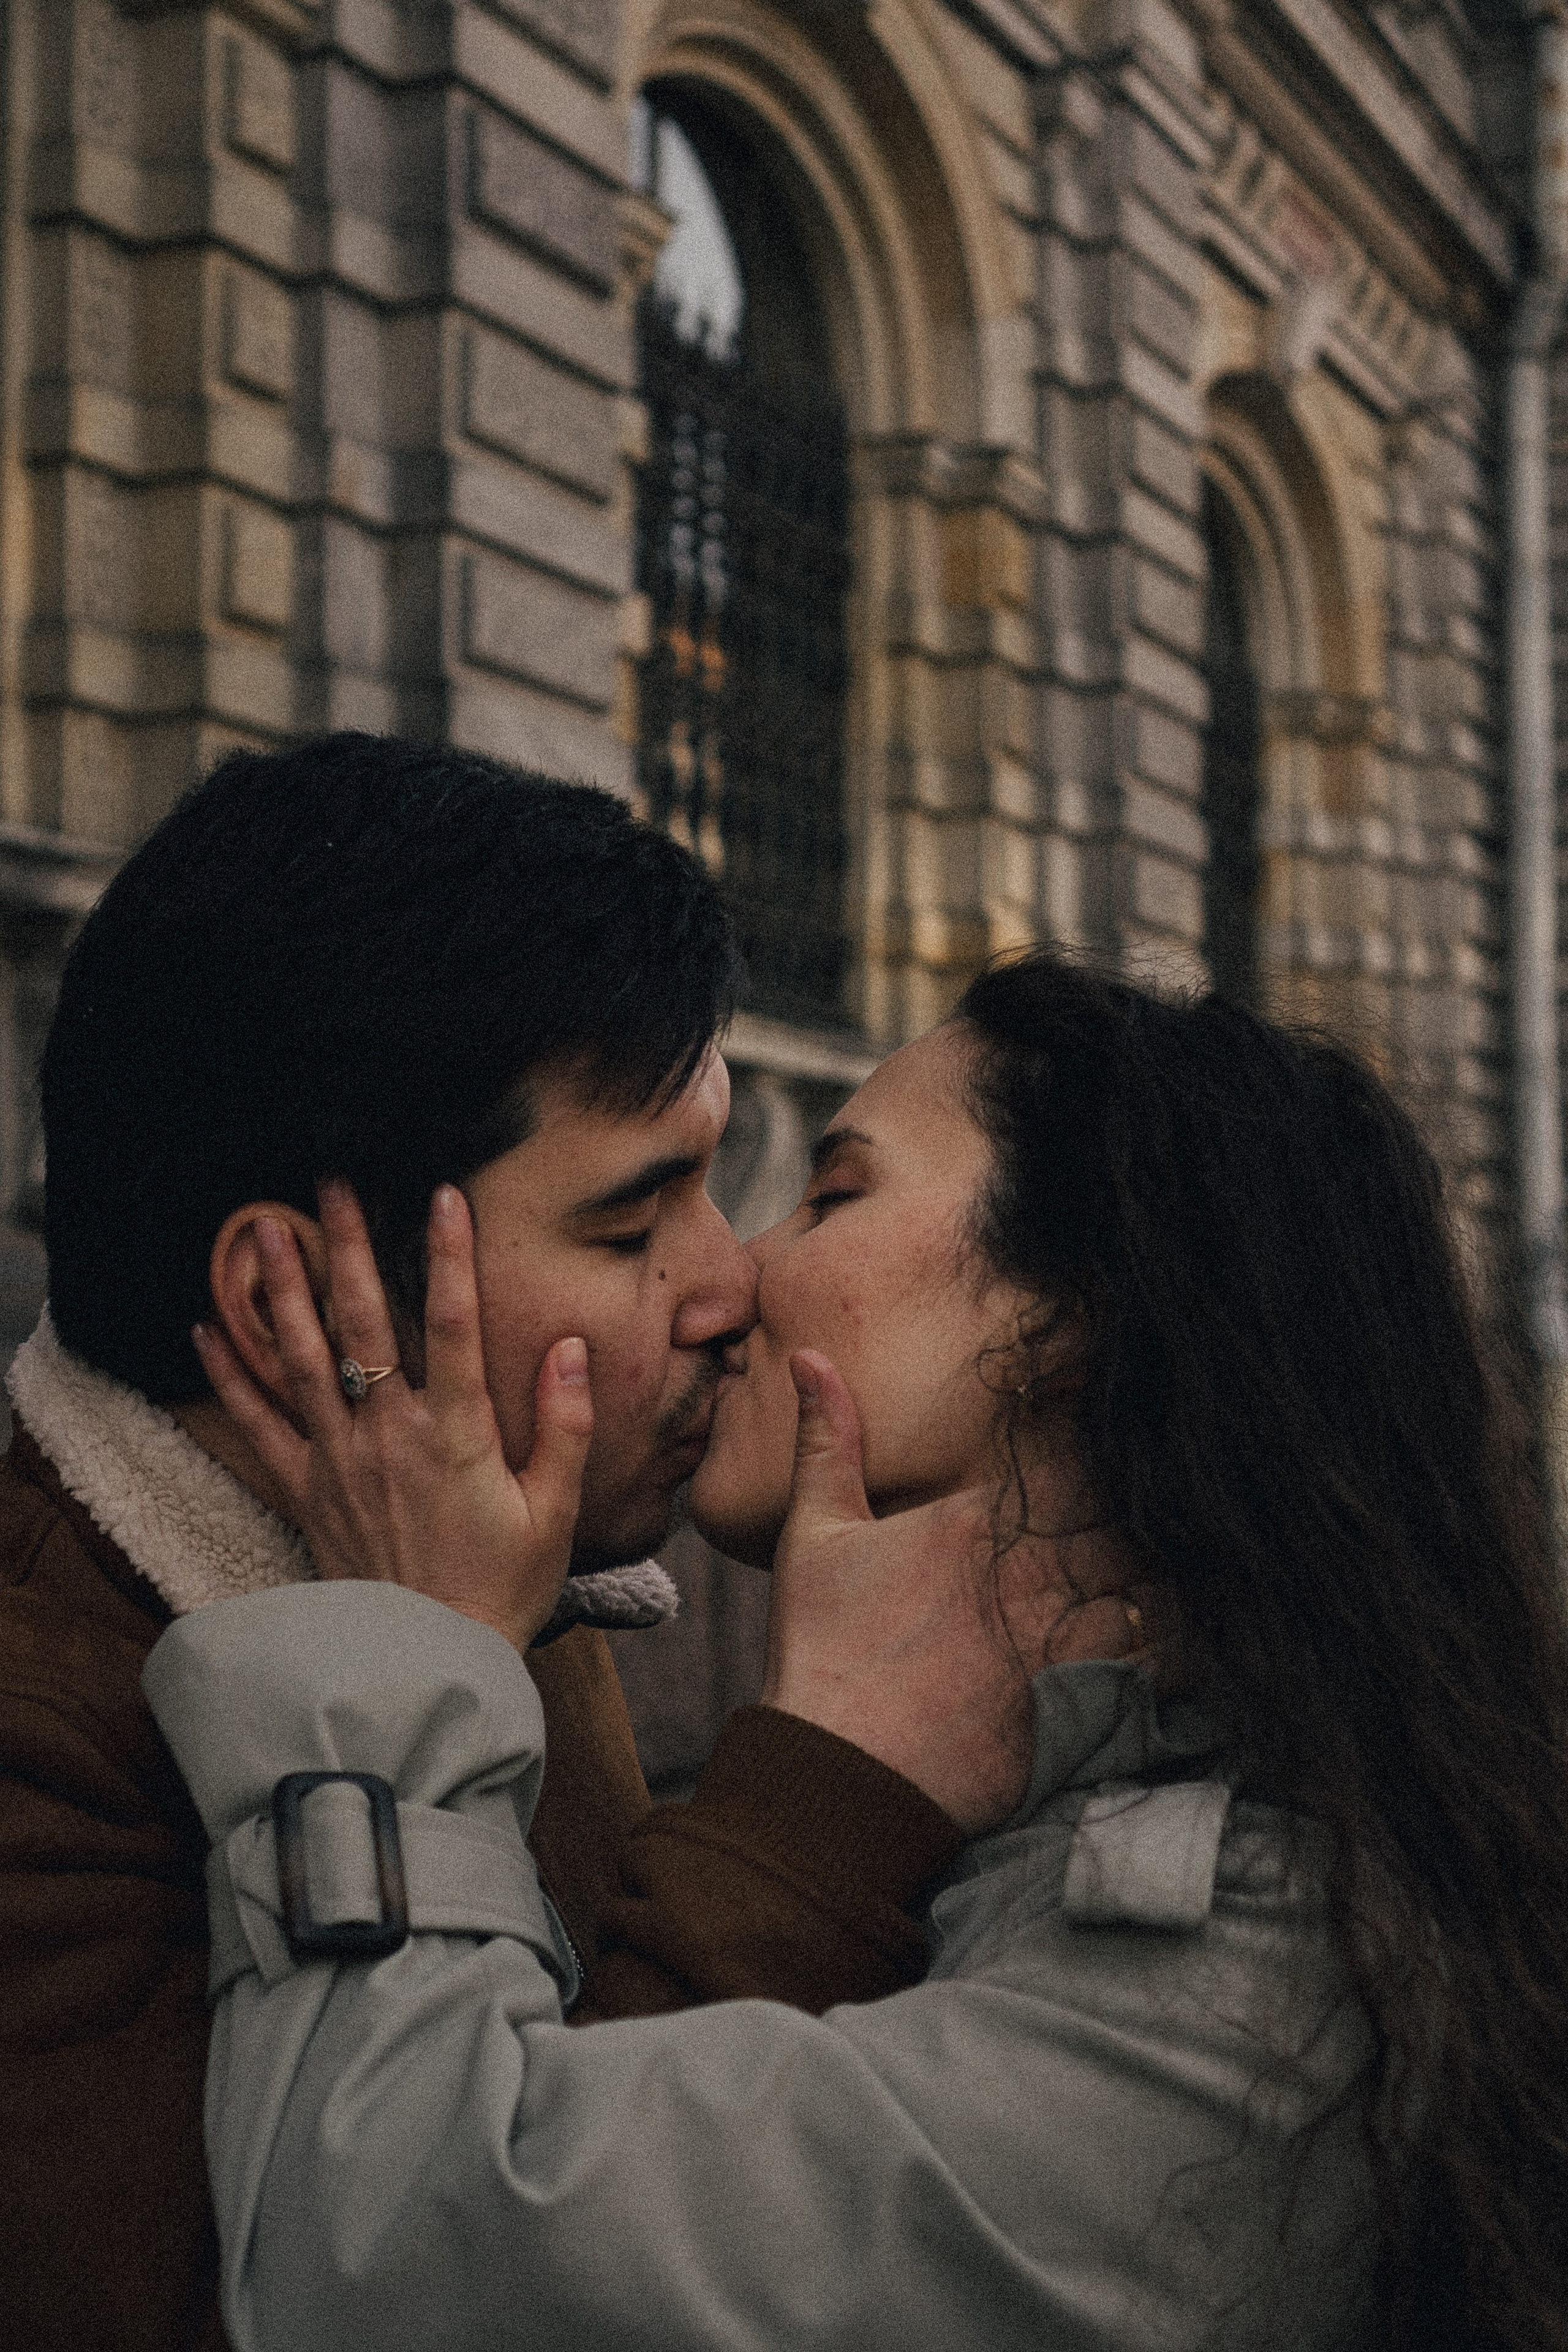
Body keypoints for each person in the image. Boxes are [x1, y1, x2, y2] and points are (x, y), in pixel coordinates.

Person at [146, 951, 1568, 2352]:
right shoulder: (1154, 1839)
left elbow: (399, 2280)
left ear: (1069, 1311)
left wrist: (414, 1651)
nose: (735, 1278)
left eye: (830, 1196)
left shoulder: (1246, 1992)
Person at [0, 733, 981, 2352]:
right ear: (293, 1301)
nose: (730, 1283)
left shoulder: (495, 1567)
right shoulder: (44, 1758)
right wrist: (819, 1812)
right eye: (631, 1220)